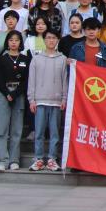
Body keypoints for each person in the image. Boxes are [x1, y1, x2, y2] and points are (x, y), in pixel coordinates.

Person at [28, 31, 68, 172]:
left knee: (54, 133)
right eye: (48, 38)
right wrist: (31, 99)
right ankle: (38, 159)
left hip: (56, 101)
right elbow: (31, 80)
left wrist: (64, 98)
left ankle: (52, 159)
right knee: (39, 132)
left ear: (57, 40)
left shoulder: (62, 59)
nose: (51, 40)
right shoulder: (36, 59)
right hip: (40, 100)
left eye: (54, 38)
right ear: (44, 40)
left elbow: (65, 80)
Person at [0, 30, 29, 172]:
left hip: (18, 94)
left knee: (16, 130)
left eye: (16, 40)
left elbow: (26, 80)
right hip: (3, 93)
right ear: (7, 42)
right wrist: (7, 93)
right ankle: (2, 160)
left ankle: (14, 160)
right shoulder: (1, 59)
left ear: (20, 42)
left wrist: (15, 93)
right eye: (11, 40)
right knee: (1, 129)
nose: (14, 43)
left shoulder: (25, 59)